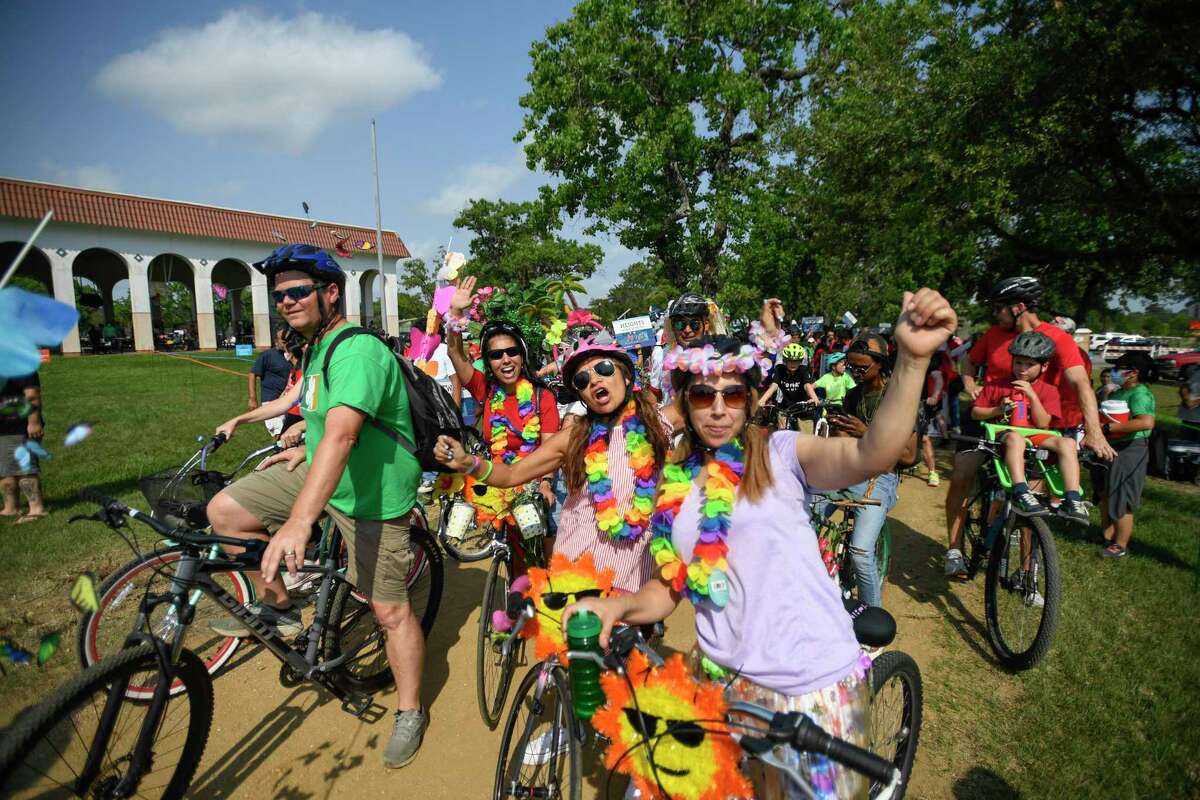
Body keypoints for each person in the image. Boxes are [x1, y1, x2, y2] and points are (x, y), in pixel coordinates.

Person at [563, 289, 956, 800]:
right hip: (723, 685)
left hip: (810, 688)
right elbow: (667, 590)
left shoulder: (781, 453)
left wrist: (913, 360)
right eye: (704, 394)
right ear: (685, 399)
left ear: (750, 400)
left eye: (734, 394)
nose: (719, 409)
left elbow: (873, 452)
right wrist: (615, 604)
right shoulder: (673, 483)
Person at [205, 244, 429, 769]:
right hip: (324, 470)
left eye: (298, 290)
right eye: (279, 294)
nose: (286, 301)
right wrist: (299, 445)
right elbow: (323, 420)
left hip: (374, 492)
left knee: (389, 611)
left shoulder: (356, 351)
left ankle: (411, 709)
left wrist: (300, 522)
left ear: (331, 293)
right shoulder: (317, 350)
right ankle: (282, 609)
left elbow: (346, 434)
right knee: (225, 512)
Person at [943, 276, 1115, 578]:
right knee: (961, 474)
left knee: (1031, 500)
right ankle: (955, 549)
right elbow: (969, 362)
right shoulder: (993, 335)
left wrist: (1094, 431)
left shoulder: (1057, 339)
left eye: (1000, 307)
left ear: (1019, 307)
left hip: (1033, 424)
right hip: (989, 414)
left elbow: (1081, 384)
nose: (995, 313)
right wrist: (971, 386)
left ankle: (1026, 571)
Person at [444, 276, 560, 557]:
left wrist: (545, 483)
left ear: (522, 355)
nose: (505, 360)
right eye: (496, 355)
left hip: (533, 483)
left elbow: (551, 450)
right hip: (495, 480)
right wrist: (456, 315)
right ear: (488, 361)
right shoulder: (484, 389)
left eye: (512, 352)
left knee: (545, 552)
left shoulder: (540, 396)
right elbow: (454, 354)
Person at [828, 333, 919, 608]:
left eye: (861, 368)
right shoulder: (853, 394)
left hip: (881, 477)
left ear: (881, 364)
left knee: (860, 551)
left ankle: (872, 620)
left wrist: (864, 433)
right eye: (850, 366)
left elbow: (909, 455)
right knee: (803, 521)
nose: (853, 373)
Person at [971, 331, 1089, 524]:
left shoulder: (1049, 390)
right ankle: (1021, 491)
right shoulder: (997, 385)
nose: (1022, 369)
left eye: (1029, 364)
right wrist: (998, 409)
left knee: (1067, 442)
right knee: (1015, 439)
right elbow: (976, 413)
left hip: (1035, 435)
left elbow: (1043, 424)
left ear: (1044, 366)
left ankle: (1072, 498)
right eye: (1018, 362)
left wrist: (1032, 396)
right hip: (1004, 435)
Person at [1093, 351, 1157, 559]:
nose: (1115, 372)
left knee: (1122, 495)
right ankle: (1107, 535)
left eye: (1119, 368)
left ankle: (1120, 545)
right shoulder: (1119, 392)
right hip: (1111, 446)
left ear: (1133, 373)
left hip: (1130, 448)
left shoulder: (1140, 394)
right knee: (1105, 492)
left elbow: (1146, 422)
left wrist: (1110, 428)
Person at [0, 372, 47, 523]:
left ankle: (36, 509)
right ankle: (10, 507)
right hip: (2, 428)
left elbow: (32, 395)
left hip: (18, 427)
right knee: (4, 472)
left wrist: (33, 422)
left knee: (24, 471)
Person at [760, 342, 819, 429]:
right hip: (784, 408)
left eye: (796, 361)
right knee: (782, 432)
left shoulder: (803, 370)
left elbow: (807, 386)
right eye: (790, 361)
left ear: (800, 361)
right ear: (785, 360)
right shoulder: (779, 369)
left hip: (801, 408)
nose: (793, 364)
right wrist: (763, 399)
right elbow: (774, 386)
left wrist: (814, 398)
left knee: (806, 435)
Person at [249, 328, 293, 438]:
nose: (286, 343)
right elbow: (252, 374)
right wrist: (252, 398)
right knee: (279, 435)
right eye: (283, 341)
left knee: (291, 434)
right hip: (271, 401)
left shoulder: (294, 355)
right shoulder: (267, 355)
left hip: (290, 400)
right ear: (276, 342)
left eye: (288, 340)